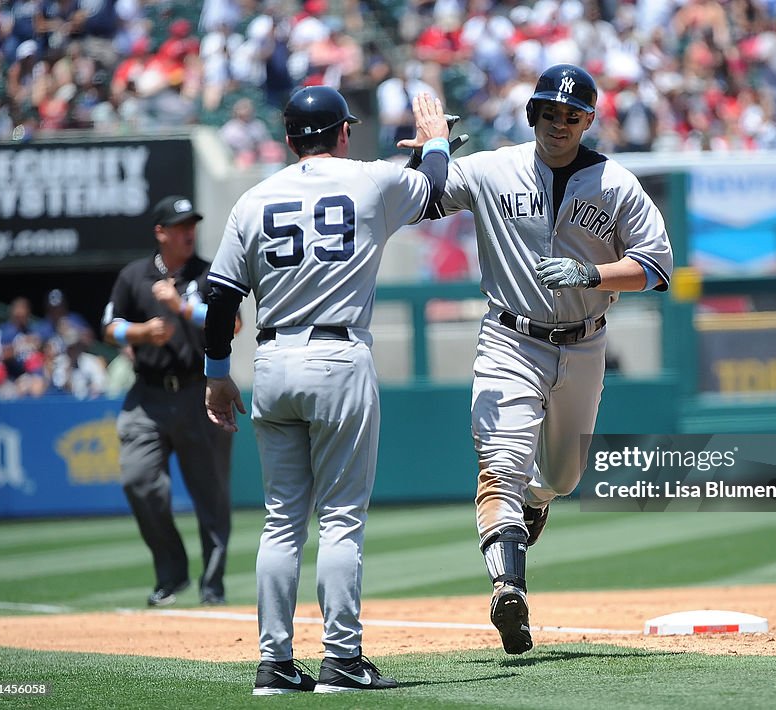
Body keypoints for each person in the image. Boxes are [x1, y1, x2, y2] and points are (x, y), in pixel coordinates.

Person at [202, 86, 450, 695]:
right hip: (339, 355)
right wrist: (436, 142)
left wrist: (214, 375)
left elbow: (220, 299)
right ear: (344, 133)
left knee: (281, 521)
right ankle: (342, 659)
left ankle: (275, 665)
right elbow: (434, 187)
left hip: (272, 359)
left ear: (289, 139)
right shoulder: (371, 180)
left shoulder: (252, 198)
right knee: (340, 517)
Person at [428, 64, 673, 655]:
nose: (559, 122)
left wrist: (593, 272)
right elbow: (427, 197)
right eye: (549, 111)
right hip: (510, 339)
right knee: (502, 464)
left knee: (563, 476)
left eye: (572, 114)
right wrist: (433, 149)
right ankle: (508, 586)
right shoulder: (493, 168)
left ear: (588, 121)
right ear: (532, 113)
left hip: (585, 341)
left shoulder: (615, 184)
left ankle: (537, 502)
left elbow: (659, 267)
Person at [101, 194, 234, 608]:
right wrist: (139, 334)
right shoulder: (134, 275)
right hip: (148, 395)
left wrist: (185, 308)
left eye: (191, 224)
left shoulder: (209, 273)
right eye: (179, 226)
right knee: (138, 481)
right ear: (161, 232)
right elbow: (109, 327)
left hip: (201, 392)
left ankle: (212, 586)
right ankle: (172, 573)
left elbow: (232, 323)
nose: (188, 232)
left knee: (210, 497)